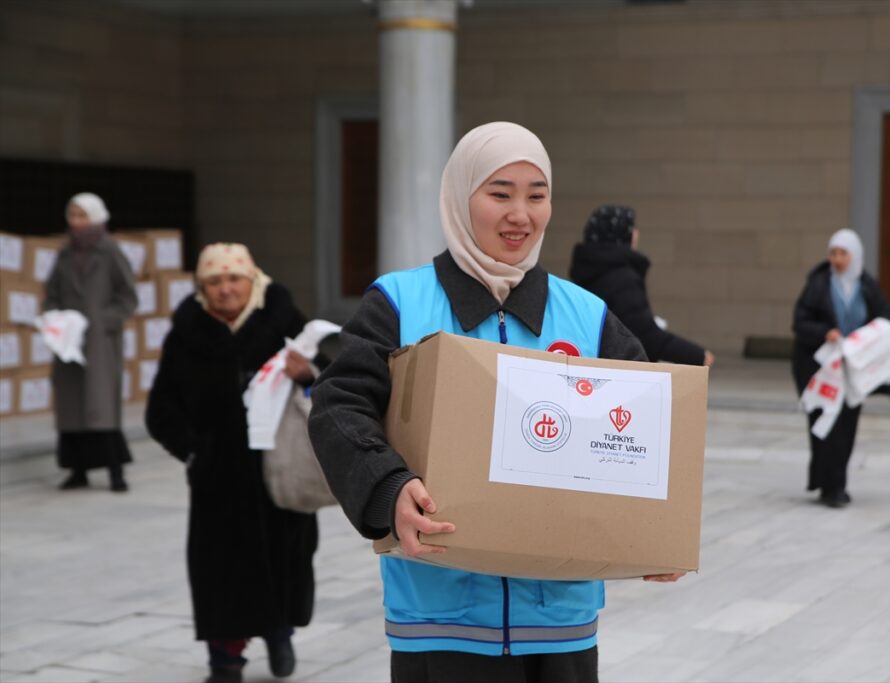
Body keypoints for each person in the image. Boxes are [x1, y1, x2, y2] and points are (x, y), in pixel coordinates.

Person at [308, 122, 684, 683]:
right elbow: (339, 405)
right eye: (500, 193)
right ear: (462, 197)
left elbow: (646, 427)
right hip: (440, 613)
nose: (521, 214)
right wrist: (388, 488)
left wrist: (657, 530)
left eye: (537, 195)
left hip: (559, 618)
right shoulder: (400, 301)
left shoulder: (586, 315)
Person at [145, 243, 323, 683]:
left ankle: (279, 632)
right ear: (202, 288)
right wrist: (193, 451)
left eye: (233, 279)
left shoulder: (285, 323)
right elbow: (160, 409)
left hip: (279, 473)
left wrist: (307, 375)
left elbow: (336, 385)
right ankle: (224, 661)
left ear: (252, 280)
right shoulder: (187, 333)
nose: (225, 289)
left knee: (284, 561)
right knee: (218, 572)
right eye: (214, 281)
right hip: (217, 480)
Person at [791, 228, 890, 508]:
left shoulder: (867, 286)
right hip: (820, 369)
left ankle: (837, 484)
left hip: (852, 371)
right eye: (833, 253)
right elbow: (800, 323)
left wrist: (867, 340)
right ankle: (827, 484)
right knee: (824, 425)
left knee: (847, 427)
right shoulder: (818, 285)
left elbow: (884, 319)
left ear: (855, 256)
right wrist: (826, 332)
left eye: (843, 253)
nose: (837, 259)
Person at [44, 193, 138, 492]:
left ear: (97, 216)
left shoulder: (109, 252)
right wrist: (54, 319)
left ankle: (115, 471)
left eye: (82, 215)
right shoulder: (64, 254)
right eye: (72, 215)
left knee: (101, 408)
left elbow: (128, 297)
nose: (76, 221)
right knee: (72, 408)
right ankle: (77, 470)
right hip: (69, 344)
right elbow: (52, 294)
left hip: (100, 344)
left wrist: (103, 321)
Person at [569, 205, 714, 367]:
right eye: (633, 227)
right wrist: (696, 355)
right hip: (620, 372)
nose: (637, 233)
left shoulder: (589, 272)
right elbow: (647, 337)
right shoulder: (621, 279)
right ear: (624, 234)